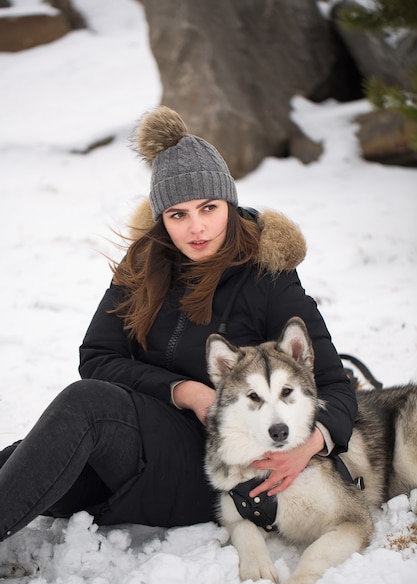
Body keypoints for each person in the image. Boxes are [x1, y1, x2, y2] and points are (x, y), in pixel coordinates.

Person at [0, 106, 357, 541]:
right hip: (136, 441)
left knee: (85, 404)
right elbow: (97, 357)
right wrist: (185, 392)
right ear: (161, 219)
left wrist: (310, 446)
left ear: (228, 202)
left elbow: (336, 387)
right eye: (178, 215)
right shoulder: (143, 265)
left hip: (216, 465)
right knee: (24, 460)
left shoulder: (267, 276)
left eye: (208, 207)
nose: (197, 228)